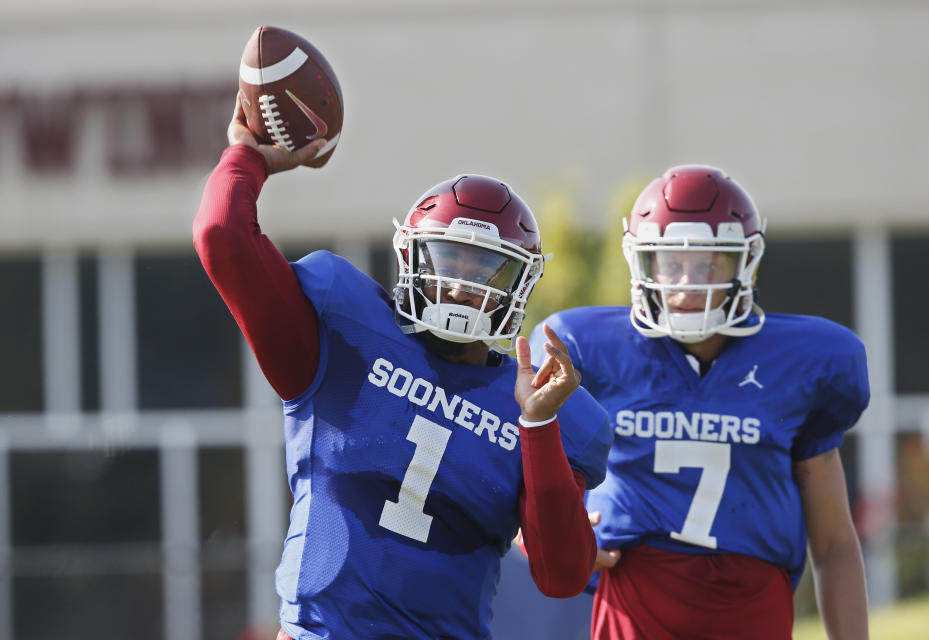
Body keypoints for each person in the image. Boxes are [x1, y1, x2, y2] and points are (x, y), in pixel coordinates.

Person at [192, 94, 612, 640]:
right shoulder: (343, 335)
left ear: (520, 286)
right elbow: (222, 237)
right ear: (409, 257)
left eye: (489, 271)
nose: (462, 286)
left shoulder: (537, 404)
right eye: (448, 261)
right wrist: (247, 157)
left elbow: (561, 576)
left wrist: (538, 426)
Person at [530, 165, 870, 640]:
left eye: (710, 262)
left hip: (752, 605)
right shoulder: (587, 348)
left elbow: (834, 543)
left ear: (744, 263)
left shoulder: (805, 362)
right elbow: (521, 468)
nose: (688, 283)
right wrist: (543, 530)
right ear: (642, 263)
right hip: (637, 595)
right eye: (670, 263)